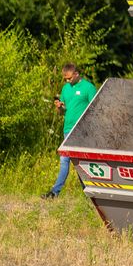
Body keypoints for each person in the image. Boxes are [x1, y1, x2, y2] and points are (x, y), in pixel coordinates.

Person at [42, 63, 97, 200]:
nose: (67, 81)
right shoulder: (66, 88)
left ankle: (88, 193)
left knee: (79, 163)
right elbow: (62, 112)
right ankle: (56, 193)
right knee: (65, 160)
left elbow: (96, 109)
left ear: (77, 74)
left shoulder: (88, 88)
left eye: (69, 78)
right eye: (65, 79)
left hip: (82, 131)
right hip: (67, 130)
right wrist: (59, 107)